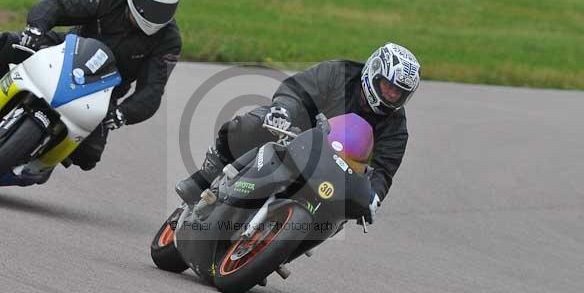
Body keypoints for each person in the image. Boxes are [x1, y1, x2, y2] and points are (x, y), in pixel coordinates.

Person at [0, 0, 182, 170]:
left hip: (104, 90)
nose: (154, 16)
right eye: (149, 6)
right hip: (63, 52)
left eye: (163, 10)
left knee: (88, 156)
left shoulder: (169, 40)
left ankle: (39, 153)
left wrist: (122, 114)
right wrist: (36, 29)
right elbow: (60, 7)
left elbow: (152, 91)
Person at [175, 42, 421, 224]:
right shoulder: (339, 73)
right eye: (388, 86)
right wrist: (283, 111)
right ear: (374, 73)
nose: (391, 95)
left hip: (335, 170)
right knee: (255, 123)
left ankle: (277, 248)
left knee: (344, 213)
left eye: (398, 92)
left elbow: (384, 171)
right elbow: (298, 90)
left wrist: (373, 197)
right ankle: (206, 176)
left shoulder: (396, 127)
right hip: (296, 133)